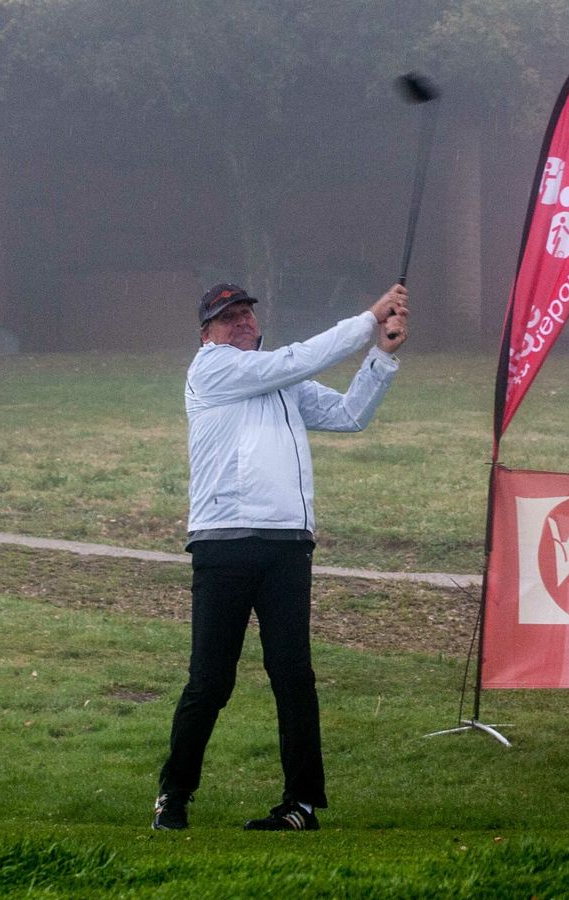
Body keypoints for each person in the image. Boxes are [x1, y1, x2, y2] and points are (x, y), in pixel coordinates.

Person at [153, 281, 409, 831]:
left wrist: (380, 357)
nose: (241, 322)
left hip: (288, 543)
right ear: (206, 334)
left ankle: (302, 805)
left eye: (246, 313)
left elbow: (348, 415)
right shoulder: (212, 369)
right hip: (223, 542)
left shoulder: (279, 378)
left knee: (294, 676)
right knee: (211, 679)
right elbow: (301, 357)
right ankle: (173, 795)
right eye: (228, 317)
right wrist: (368, 318)